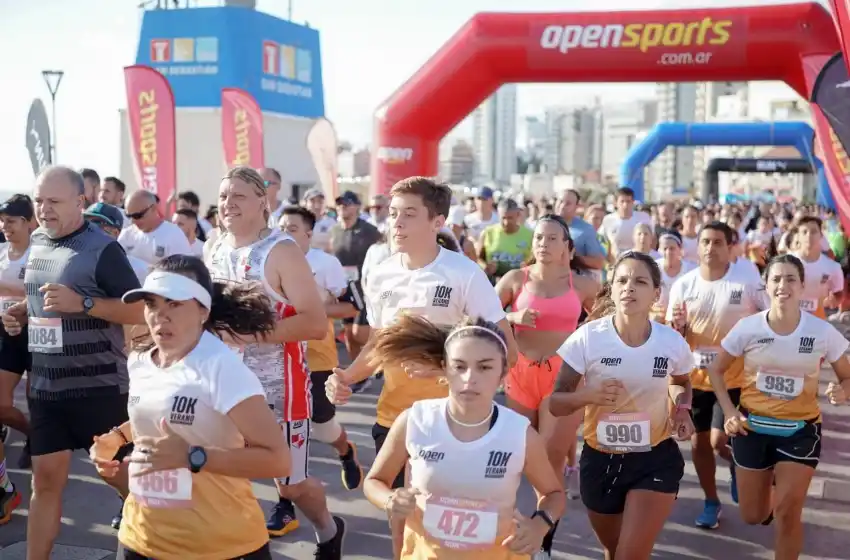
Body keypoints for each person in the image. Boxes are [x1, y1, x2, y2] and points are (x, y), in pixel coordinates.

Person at [326, 176, 516, 559]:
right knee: (403, 532)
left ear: (437, 221)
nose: (396, 223)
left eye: (409, 214)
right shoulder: (381, 274)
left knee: (449, 535)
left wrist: (450, 374)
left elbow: (506, 351)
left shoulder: (463, 274)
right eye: (393, 214)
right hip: (396, 420)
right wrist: (346, 377)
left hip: (456, 424)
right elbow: (380, 346)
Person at [92, 255, 290, 560]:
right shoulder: (141, 360)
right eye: (152, 305)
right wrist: (118, 437)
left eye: (174, 304)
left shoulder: (222, 368)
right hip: (140, 537)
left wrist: (192, 457)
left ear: (202, 310)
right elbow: (163, 411)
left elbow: (277, 461)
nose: (160, 316)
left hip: (220, 546)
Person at [2, 166, 144, 559]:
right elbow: (45, 303)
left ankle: (170, 541)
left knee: (125, 481)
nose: (43, 210)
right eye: (38, 201)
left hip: (99, 390)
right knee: (44, 484)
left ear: (80, 202)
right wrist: (22, 313)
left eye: (54, 201)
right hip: (47, 390)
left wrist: (82, 303)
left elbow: (137, 312)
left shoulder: (103, 249)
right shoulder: (40, 242)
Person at [204, 167, 344, 557]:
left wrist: (248, 336)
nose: (228, 203)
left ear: (263, 203)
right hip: (221, 385)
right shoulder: (213, 246)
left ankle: (329, 530)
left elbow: (315, 324)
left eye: (238, 196)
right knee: (220, 470)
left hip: (279, 389)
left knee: (290, 485)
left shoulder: (281, 251)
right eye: (223, 196)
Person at [363, 315, 565, 559]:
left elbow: (553, 495)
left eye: (484, 367)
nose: (470, 378)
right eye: (460, 366)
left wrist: (539, 525)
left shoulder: (519, 433)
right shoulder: (415, 420)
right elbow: (374, 481)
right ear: (445, 368)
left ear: (503, 373)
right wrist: (389, 500)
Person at [551, 251, 696, 560]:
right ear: (612, 289)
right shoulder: (587, 338)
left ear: (657, 293)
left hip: (654, 458)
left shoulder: (670, 342)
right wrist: (588, 396)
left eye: (640, 281)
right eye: (622, 281)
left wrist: (682, 409)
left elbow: (682, 382)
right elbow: (556, 403)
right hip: (600, 461)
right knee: (614, 551)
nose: (630, 287)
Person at [707, 254, 850, 560]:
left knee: (787, 511)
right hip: (752, 428)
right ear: (766, 287)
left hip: (800, 431)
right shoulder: (748, 328)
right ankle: (755, 478)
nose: (783, 285)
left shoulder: (821, 331)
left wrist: (842, 390)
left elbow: (847, 376)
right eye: (776, 279)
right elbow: (716, 370)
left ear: (801, 286)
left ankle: (781, 490)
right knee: (753, 515)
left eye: (790, 279)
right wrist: (730, 412)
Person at [667, 221, 767, 529]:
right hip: (695, 379)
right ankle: (711, 501)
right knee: (699, 446)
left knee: (719, 440)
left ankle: (739, 466)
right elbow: (676, 335)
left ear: (730, 247)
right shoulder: (684, 285)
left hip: (735, 378)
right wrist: (680, 326)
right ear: (698, 247)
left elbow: (767, 320)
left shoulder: (746, 282)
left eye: (718, 242)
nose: (711, 248)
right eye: (706, 242)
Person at [277, 205, 365, 532]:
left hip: (317, 357)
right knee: (284, 428)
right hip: (279, 356)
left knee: (323, 426)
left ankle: (346, 451)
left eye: (293, 228)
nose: (285, 233)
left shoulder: (325, 264)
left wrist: (312, 308)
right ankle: (284, 506)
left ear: (308, 234)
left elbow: (352, 305)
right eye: (281, 226)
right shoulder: (268, 260)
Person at [0, 195, 35, 515]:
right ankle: (32, 435)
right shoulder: (0, 254)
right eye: (3, 221)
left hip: (38, 334)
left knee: (39, 401)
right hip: (6, 334)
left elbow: (43, 294)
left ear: (28, 222)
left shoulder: (40, 254)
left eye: (12, 221)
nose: (5, 227)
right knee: (1, 405)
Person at [330, 190, 382, 386]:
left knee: (359, 334)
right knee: (349, 335)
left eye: (348, 203)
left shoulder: (369, 231)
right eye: (340, 203)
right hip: (343, 288)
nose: (343, 206)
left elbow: (382, 253)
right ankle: (359, 374)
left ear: (358, 207)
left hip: (365, 288)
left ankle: (374, 365)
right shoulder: (335, 230)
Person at [120, 190, 193, 265]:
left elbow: (185, 270)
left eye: (138, 215)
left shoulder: (174, 234)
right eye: (129, 216)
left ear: (153, 208)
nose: (133, 221)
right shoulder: (126, 235)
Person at [85, 203, 150, 283]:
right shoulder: (74, 262)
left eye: (98, 223)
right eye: (86, 223)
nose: (89, 228)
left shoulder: (138, 270)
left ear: (115, 233)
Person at [792, 217, 843, 318]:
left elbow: (838, 293)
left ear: (821, 235)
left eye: (814, 231)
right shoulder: (786, 263)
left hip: (817, 318)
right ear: (797, 236)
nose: (809, 236)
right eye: (804, 232)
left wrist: (833, 300)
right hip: (789, 317)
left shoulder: (832, 267)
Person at [478, 199, 533, 283]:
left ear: (518, 215)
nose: (506, 222)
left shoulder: (530, 235)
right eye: (503, 218)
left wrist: (529, 266)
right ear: (498, 215)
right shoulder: (487, 233)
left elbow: (537, 261)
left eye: (510, 218)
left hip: (520, 281)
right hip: (492, 281)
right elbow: (477, 259)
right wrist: (485, 266)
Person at [652, 230, 696, 323]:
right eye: (665, 248)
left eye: (672, 248)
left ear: (679, 249)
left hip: (682, 317)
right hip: (658, 316)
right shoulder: (653, 268)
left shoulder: (691, 269)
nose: (668, 252)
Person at [598, 187, 651, 256]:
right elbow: (601, 241)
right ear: (615, 203)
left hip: (639, 258)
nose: (625, 205)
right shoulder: (608, 220)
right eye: (622, 201)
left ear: (633, 202)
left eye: (628, 201)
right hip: (616, 261)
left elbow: (652, 239)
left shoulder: (643, 217)